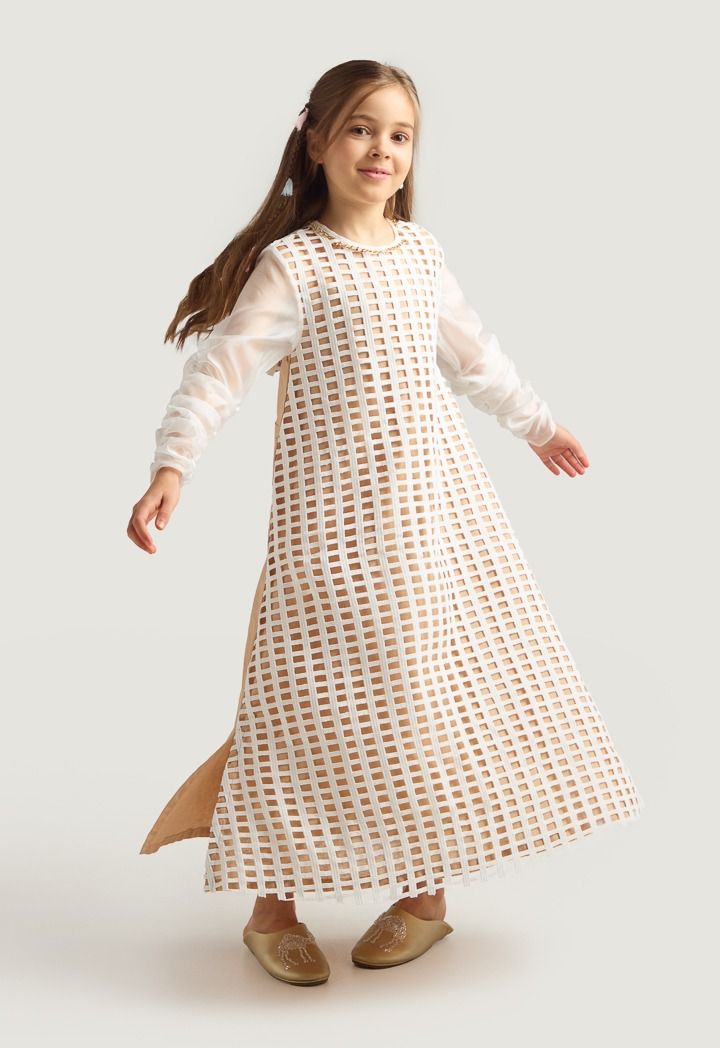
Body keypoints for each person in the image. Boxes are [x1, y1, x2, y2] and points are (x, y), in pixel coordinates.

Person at [128, 59, 644, 987]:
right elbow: (220, 372)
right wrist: (174, 465)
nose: (382, 149)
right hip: (328, 526)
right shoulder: (297, 265)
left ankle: (425, 897)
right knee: (298, 699)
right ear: (316, 140)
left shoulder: (420, 255)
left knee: (422, 694)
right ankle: (272, 905)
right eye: (362, 128)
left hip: (430, 522)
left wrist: (539, 424)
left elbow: (475, 359)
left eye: (400, 134)